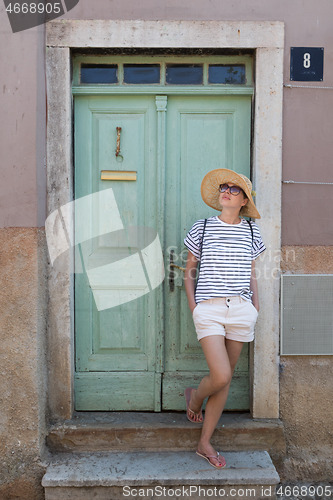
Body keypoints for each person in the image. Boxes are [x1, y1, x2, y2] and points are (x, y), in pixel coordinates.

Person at [183, 168, 266, 469]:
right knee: (220, 376)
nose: (226, 191)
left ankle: (204, 443)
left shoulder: (252, 231)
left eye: (234, 189)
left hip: (242, 310)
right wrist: (195, 306)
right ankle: (194, 400)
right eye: (224, 187)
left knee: (226, 380)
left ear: (244, 200)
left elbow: (252, 273)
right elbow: (189, 270)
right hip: (209, 308)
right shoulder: (202, 227)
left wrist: (255, 307)